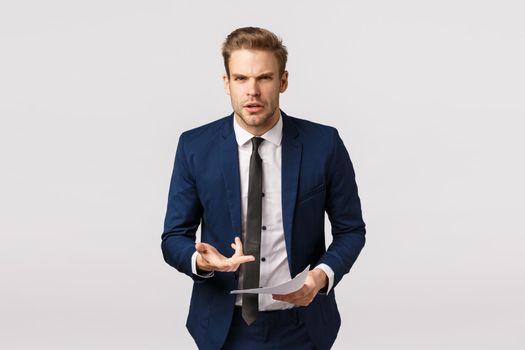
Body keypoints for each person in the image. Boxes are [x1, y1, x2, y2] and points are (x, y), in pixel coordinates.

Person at [161, 27, 366, 350]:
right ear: (227, 83)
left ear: (283, 81)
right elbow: (173, 237)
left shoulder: (324, 144)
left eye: (264, 78)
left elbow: (351, 230)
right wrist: (203, 263)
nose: (252, 91)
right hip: (222, 327)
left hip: (304, 324)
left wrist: (322, 276)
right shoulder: (194, 147)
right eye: (241, 79)